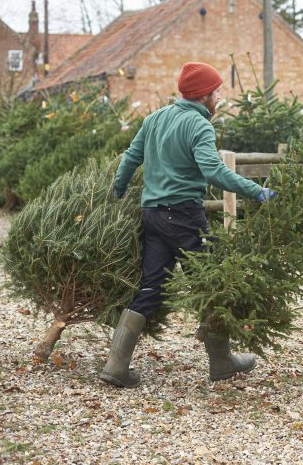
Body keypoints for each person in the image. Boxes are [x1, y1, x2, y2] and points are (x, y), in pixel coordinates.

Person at [100, 62, 277, 388]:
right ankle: (221, 361)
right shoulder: (198, 125)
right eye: (217, 92)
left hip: (152, 215)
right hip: (183, 217)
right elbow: (214, 172)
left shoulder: (154, 119)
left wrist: (118, 191)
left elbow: (129, 158)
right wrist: (257, 191)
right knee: (211, 284)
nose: (220, 97)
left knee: (151, 288)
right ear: (205, 95)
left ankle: (116, 365)